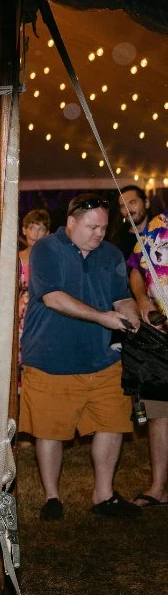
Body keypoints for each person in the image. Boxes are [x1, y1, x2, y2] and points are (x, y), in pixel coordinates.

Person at [21, 193, 141, 520]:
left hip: (103, 358)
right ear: (71, 222)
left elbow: (122, 298)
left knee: (112, 422)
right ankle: (52, 496)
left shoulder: (111, 254)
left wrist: (132, 316)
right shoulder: (46, 249)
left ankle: (104, 494)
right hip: (50, 358)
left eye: (103, 227)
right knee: (50, 430)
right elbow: (53, 298)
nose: (99, 234)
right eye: (92, 227)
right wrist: (103, 317)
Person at [125, 207, 168, 508]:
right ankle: (158, 488)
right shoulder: (157, 226)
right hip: (161, 333)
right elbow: (136, 268)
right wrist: (141, 299)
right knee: (159, 410)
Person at [112, 184, 151, 260]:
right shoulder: (118, 240)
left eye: (132, 202)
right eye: (123, 206)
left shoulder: (161, 232)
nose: (127, 209)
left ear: (146, 203)